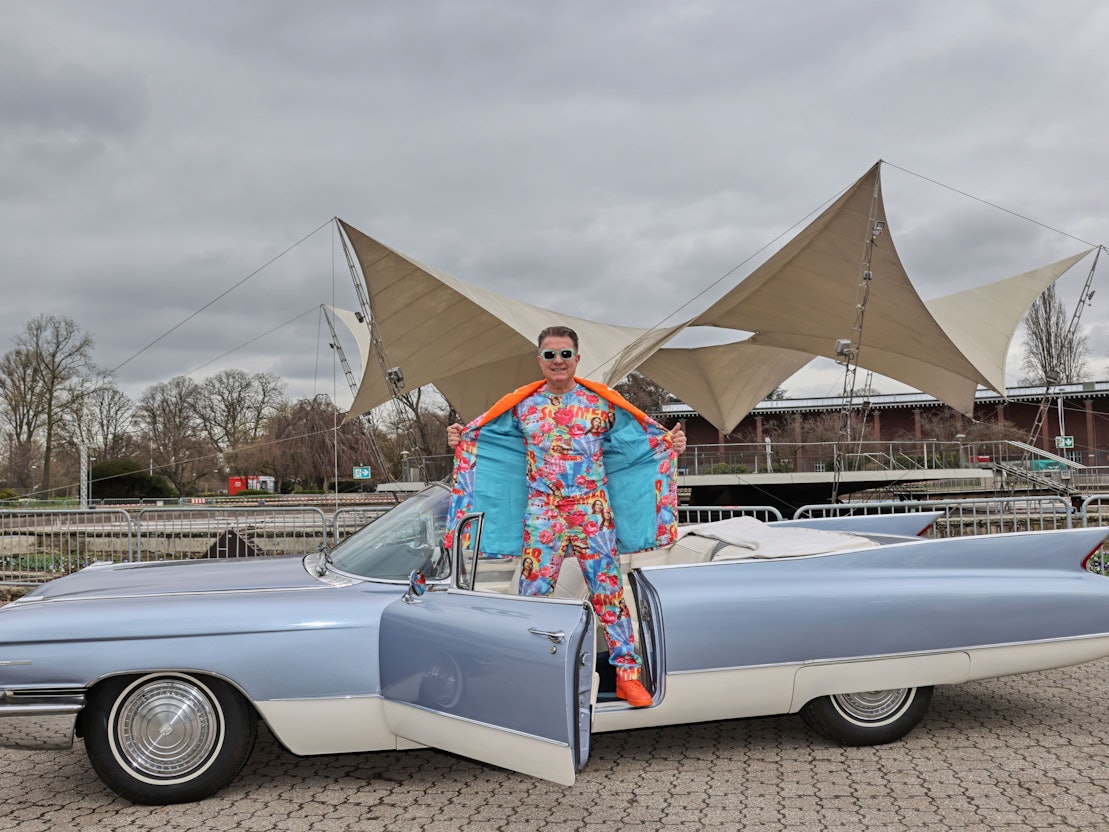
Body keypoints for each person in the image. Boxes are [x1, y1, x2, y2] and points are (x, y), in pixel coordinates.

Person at [446, 326, 686, 708]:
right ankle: (527, 674)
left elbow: (639, 440)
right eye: (550, 355)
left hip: (593, 508)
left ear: (577, 358)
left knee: (608, 591)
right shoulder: (521, 406)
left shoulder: (602, 403)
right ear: (539, 360)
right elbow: (484, 439)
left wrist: (669, 443)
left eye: (564, 354)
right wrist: (461, 440)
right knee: (533, 596)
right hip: (543, 511)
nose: (558, 361)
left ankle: (627, 676)